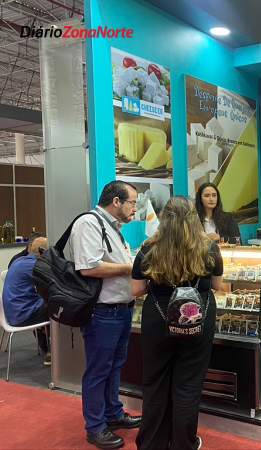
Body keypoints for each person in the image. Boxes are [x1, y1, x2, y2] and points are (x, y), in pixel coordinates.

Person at [132, 197, 223, 450]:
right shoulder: (209, 248)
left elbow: (136, 290)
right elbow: (217, 285)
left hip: (158, 317)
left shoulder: (148, 249)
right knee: (189, 384)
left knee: (155, 382)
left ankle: (152, 443)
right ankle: (184, 443)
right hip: (198, 318)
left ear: (164, 219)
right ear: (194, 219)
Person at [68, 180, 141, 449]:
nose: (135, 208)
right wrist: (130, 268)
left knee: (115, 366)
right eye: (132, 202)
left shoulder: (114, 228)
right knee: (99, 370)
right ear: (116, 201)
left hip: (121, 309)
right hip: (102, 312)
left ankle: (113, 413)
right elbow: (88, 267)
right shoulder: (88, 223)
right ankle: (96, 427)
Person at [2, 236, 50, 365]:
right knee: (58, 305)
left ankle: (46, 346)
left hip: (12, 314)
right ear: (43, 251)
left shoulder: (19, 261)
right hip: (22, 315)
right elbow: (54, 282)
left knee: (45, 301)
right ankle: (52, 352)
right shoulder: (34, 265)